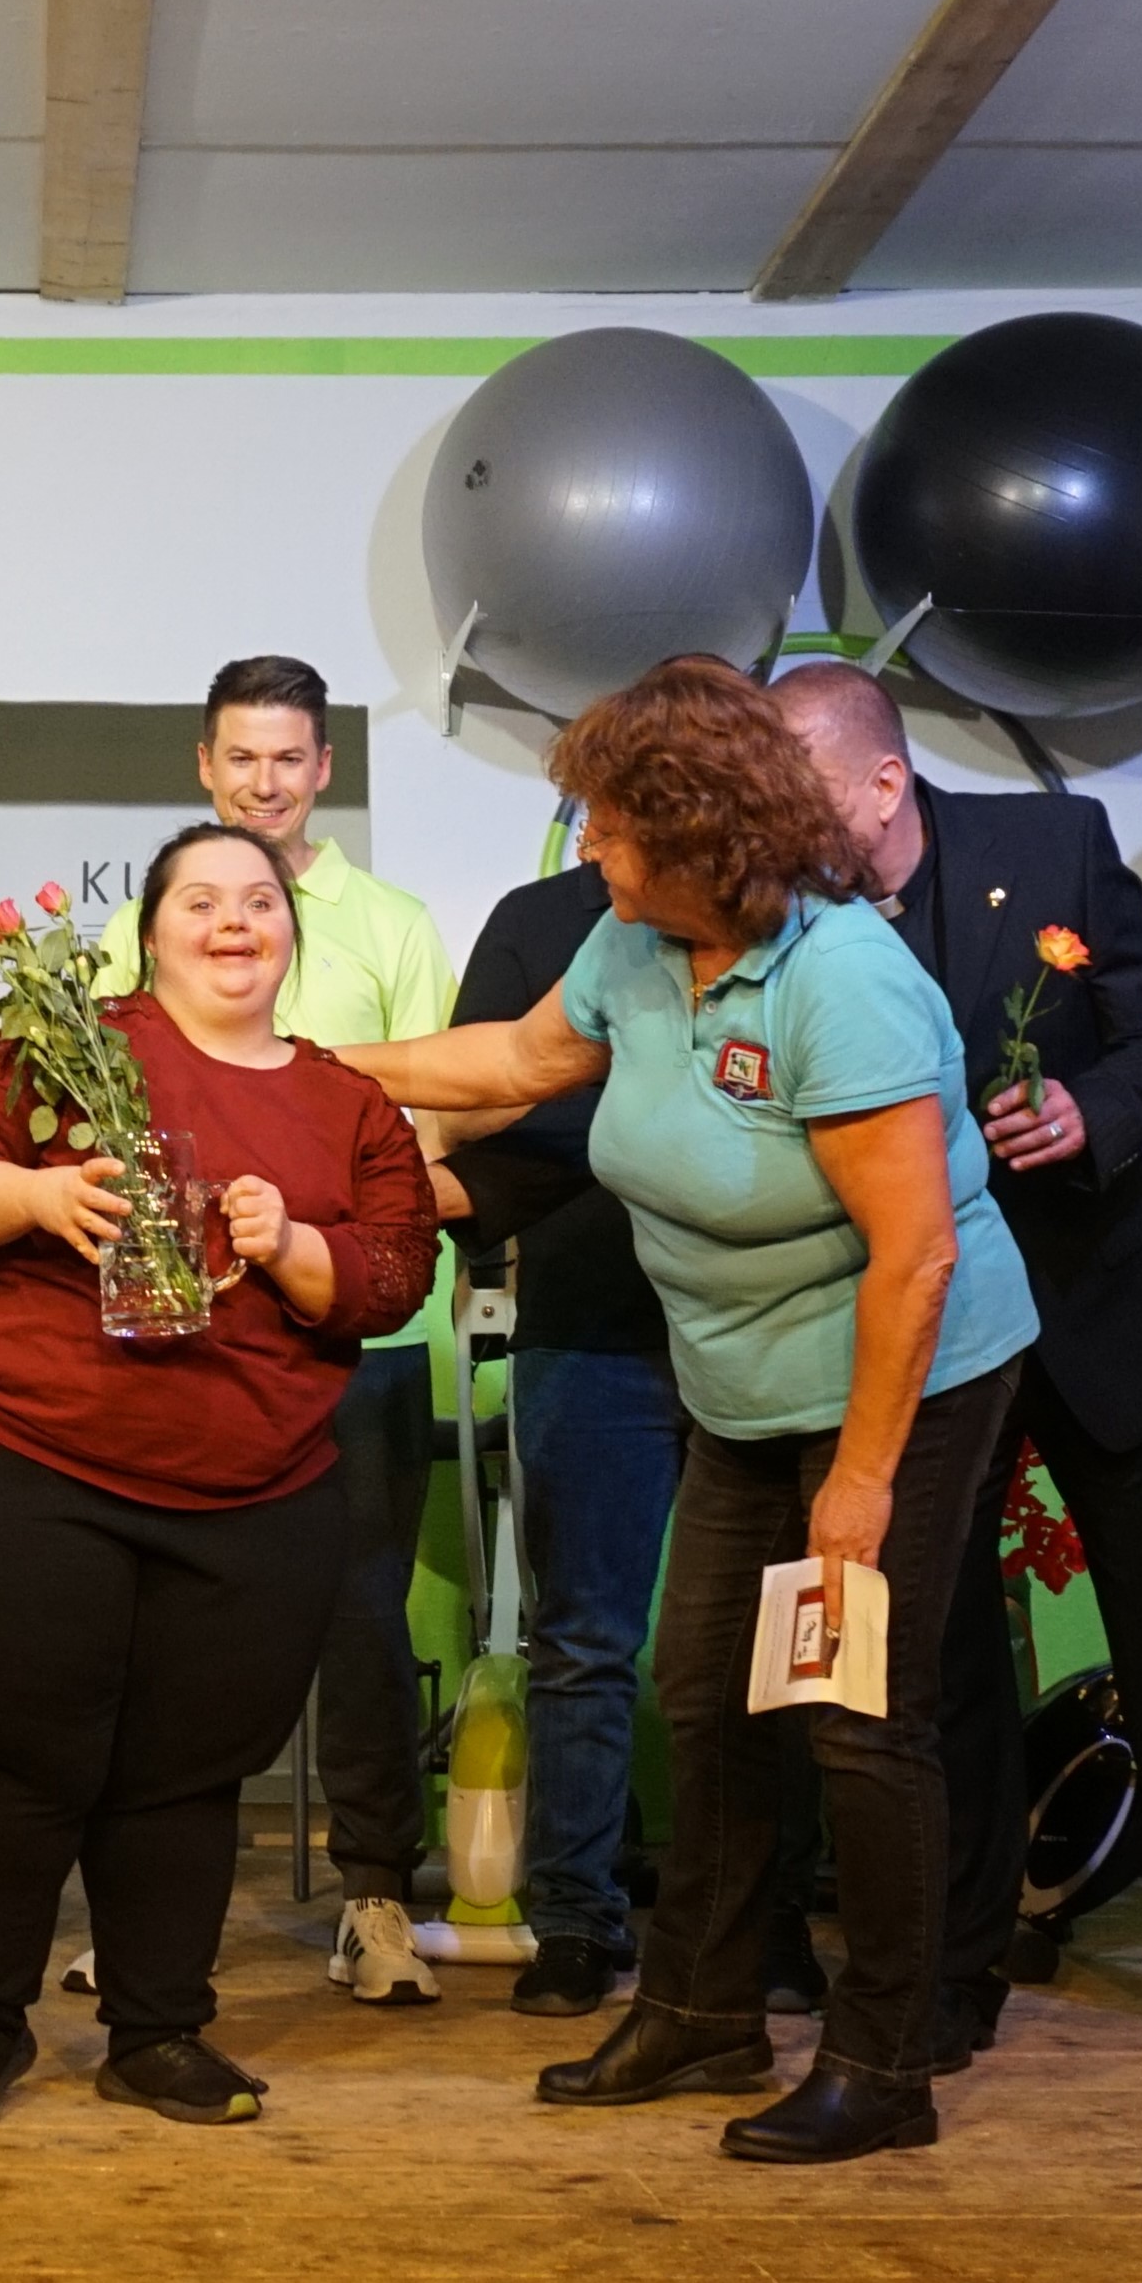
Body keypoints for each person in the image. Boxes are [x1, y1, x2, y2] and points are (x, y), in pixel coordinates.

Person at [342, 657, 1036, 2166]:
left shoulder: (839, 980)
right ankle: (705, 2002)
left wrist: (855, 1484)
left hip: (898, 1381)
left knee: (856, 1718)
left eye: (604, 824)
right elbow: (521, 1061)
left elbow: (911, 1256)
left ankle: (882, 2055)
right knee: (703, 1693)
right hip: (735, 1381)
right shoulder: (635, 944)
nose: (586, 849)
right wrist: (306, 1069)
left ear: (695, 827)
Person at [776, 659, 1142, 2056]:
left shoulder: (1049, 844)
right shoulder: (787, 912)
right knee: (934, 1651)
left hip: (1088, 1305)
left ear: (878, 782)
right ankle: (956, 1960)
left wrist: (1087, 1109)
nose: (767, 819)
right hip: (920, 1333)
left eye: (790, 788)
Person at [0, 825, 439, 2132]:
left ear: (290, 932)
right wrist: (32, 1195)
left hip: (249, 1498)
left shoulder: (343, 1100)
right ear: (151, 925)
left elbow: (394, 1270)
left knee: (181, 1775)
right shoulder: (63, 1036)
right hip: (14, 1461)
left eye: (258, 901)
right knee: (9, 1759)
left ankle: (158, 2029)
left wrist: (294, 1241)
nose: (232, 922)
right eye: (202, 899)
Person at [91, 656, 459, 2005]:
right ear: (204, 765)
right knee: (155, 1613)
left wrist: (316, 1233)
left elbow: (431, 1141)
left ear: (323, 769)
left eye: (289, 759)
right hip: (174, 1330)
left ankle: (373, 1899)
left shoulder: (392, 926)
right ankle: (132, 1904)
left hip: (345, 1335)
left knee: (356, 1612)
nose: (263, 782)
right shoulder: (154, 920)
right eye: (239, 758)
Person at [433, 849, 701, 2019]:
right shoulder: (539, 920)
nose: (603, 827)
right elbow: (467, 1107)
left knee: (761, 1650)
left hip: (764, 1330)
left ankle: (762, 1916)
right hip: (590, 1323)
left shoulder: (788, 915)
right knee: (581, 1640)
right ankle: (576, 1920)